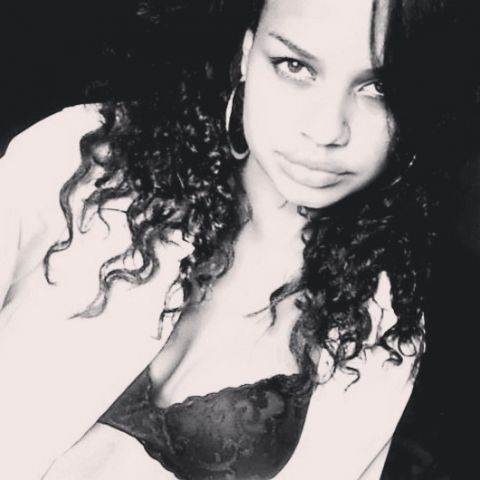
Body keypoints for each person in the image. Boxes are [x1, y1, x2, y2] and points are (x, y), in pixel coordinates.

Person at [0, 0, 465, 478]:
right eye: (294, 66)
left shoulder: (381, 329)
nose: (326, 130)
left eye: (378, 88)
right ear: (246, 54)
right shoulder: (85, 162)